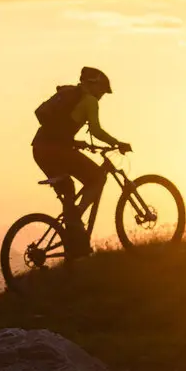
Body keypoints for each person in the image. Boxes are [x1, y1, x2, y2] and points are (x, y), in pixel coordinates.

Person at [32, 67, 128, 257]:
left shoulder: (73, 97)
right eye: (102, 90)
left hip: (41, 149)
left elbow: (61, 129)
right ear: (93, 85)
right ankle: (76, 221)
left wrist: (77, 143)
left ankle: (75, 240)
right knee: (98, 177)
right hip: (56, 150)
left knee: (67, 189)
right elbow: (97, 131)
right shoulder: (89, 101)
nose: (102, 95)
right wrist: (117, 143)